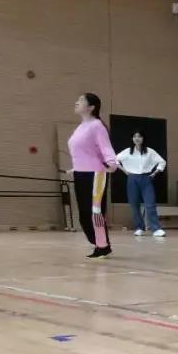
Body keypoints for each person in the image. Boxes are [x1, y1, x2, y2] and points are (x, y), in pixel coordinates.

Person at [66, 93, 118, 258]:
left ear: (91, 107)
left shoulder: (97, 126)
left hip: (96, 175)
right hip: (81, 174)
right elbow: (84, 152)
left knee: (95, 212)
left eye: (81, 100)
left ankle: (103, 246)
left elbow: (105, 147)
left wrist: (112, 162)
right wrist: (76, 168)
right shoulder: (81, 127)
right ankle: (99, 244)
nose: (76, 102)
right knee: (83, 215)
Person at [116, 131, 166, 237]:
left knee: (150, 204)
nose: (137, 138)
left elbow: (162, 161)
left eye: (139, 136)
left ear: (143, 138)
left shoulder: (150, 151)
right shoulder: (127, 151)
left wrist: (155, 172)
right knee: (134, 204)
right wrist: (124, 170)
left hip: (146, 178)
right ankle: (139, 227)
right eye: (134, 136)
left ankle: (156, 229)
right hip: (132, 178)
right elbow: (114, 160)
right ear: (132, 139)